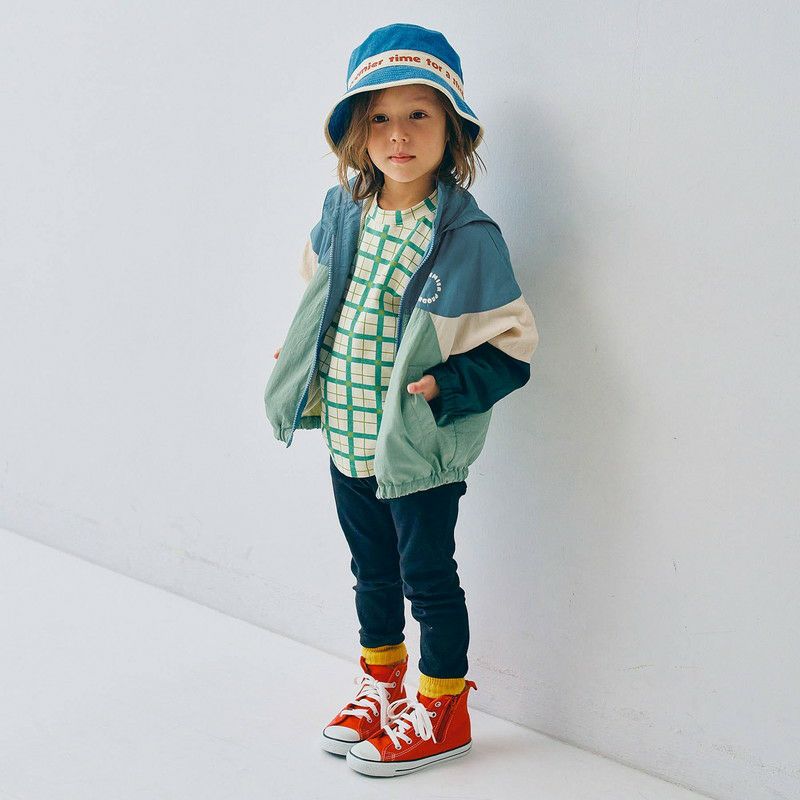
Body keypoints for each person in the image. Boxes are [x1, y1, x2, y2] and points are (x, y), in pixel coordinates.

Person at [263, 22, 539, 777]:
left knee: (428, 576)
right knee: (372, 571)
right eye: (379, 116)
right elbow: (319, 298)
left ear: (453, 130)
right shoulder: (342, 213)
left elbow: (514, 346)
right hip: (348, 433)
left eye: (420, 114)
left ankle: (444, 706)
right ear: (356, 131)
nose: (399, 134)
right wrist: (300, 358)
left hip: (416, 446)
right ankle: (381, 685)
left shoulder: (467, 237)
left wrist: (448, 386)